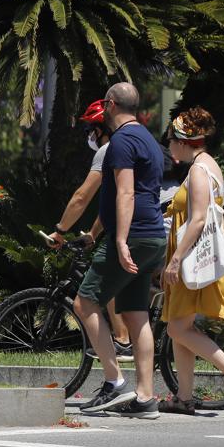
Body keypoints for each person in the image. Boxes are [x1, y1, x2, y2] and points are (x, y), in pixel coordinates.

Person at [72, 83, 167, 419]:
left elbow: (125, 194)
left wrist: (121, 240)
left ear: (110, 105)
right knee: (136, 313)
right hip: (154, 236)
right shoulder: (150, 141)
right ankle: (144, 398)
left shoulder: (121, 142)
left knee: (84, 302)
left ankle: (115, 381)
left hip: (134, 237)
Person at [157, 107, 224, 415]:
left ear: (184, 141)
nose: (169, 145)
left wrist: (174, 260)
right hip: (196, 257)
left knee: (177, 328)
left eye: (171, 139)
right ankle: (183, 397)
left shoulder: (199, 171)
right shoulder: (207, 165)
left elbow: (198, 220)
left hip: (190, 258)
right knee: (180, 326)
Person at [46, 99, 132, 362]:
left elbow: (82, 197)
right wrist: (93, 234)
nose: (89, 136)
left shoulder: (107, 150)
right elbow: (113, 204)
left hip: (141, 226)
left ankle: (123, 340)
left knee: (105, 278)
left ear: (101, 129)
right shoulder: (130, 143)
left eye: (90, 130)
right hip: (153, 221)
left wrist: (60, 231)